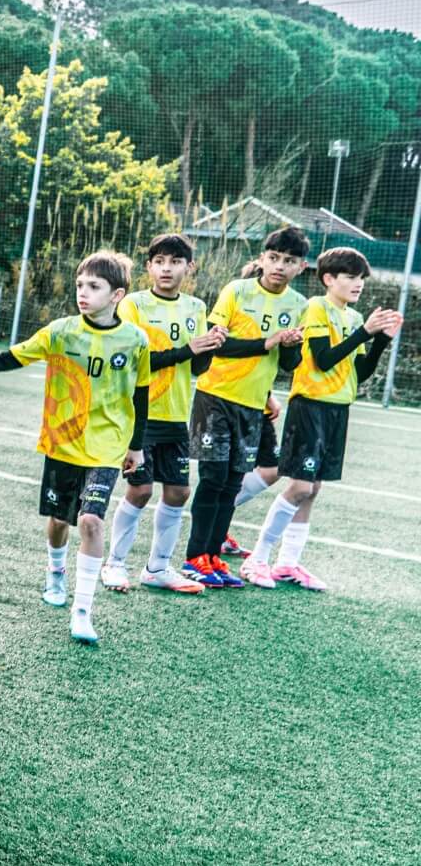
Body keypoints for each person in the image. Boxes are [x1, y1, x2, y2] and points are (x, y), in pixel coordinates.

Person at [0, 252, 151, 645]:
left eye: (94, 286)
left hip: (107, 447)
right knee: (58, 521)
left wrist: (136, 447)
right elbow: (9, 358)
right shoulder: (61, 332)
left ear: (117, 295)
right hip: (63, 443)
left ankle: (82, 611)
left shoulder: (136, 340)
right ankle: (56, 573)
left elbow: (141, 395)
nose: (83, 292)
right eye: (80, 285)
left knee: (91, 521)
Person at [242, 246, 402, 590]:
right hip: (310, 405)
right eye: (350, 277)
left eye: (361, 278)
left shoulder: (354, 317)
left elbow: (360, 372)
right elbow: (324, 359)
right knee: (300, 485)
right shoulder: (317, 307)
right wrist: (365, 333)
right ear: (329, 279)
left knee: (312, 489)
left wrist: (380, 341)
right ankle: (258, 558)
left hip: (338, 408)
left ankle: (287, 564)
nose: (358, 284)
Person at [183, 227, 308, 588]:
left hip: (252, 405)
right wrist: (267, 342)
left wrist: (289, 345)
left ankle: (213, 558)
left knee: (232, 482)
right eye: (274, 258)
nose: (279, 266)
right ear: (263, 258)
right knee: (213, 479)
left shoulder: (298, 305)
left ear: (301, 267)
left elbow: (289, 363)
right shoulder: (237, 291)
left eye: (289, 261)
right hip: (215, 397)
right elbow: (216, 344)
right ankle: (194, 558)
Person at [102, 234, 222, 594]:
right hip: (141, 414)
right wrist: (188, 348)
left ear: (190, 267)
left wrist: (210, 346)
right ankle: (114, 564)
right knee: (140, 490)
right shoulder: (134, 305)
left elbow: (197, 366)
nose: (166, 268)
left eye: (175, 262)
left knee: (179, 492)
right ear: (149, 266)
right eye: (159, 262)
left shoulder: (196, 307)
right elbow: (134, 361)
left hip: (176, 415)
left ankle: (157, 568)